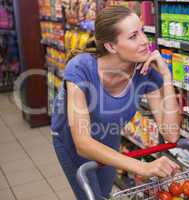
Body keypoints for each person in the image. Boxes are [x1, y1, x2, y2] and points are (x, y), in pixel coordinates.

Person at [51, 5, 181, 200]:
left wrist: (166, 76)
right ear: (111, 46)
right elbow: (83, 143)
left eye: (143, 32)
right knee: (91, 196)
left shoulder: (145, 72)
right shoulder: (81, 68)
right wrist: (143, 167)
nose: (145, 41)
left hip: (108, 135)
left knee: (103, 193)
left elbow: (171, 134)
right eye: (133, 36)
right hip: (71, 140)